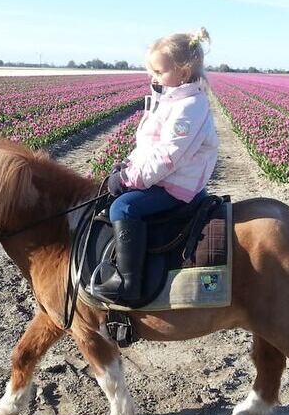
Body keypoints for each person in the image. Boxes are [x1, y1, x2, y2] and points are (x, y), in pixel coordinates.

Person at [92, 27, 218, 303]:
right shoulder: (171, 101)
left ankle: (128, 284)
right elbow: (149, 146)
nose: (154, 77)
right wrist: (126, 166)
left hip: (177, 186)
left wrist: (129, 180)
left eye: (160, 72)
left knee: (123, 207)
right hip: (167, 178)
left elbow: (168, 156)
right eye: (152, 71)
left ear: (183, 72)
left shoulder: (190, 106)